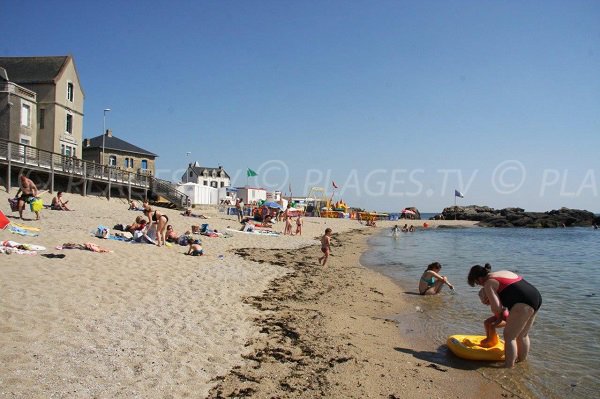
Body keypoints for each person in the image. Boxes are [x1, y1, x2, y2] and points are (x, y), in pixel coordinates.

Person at [468, 263, 542, 368]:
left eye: (477, 283)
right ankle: (521, 363)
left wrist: (489, 303)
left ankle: (509, 367)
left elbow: (497, 308)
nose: (480, 285)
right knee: (523, 335)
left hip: (523, 303)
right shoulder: (502, 272)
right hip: (535, 297)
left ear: (479, 279)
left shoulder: (488, 283)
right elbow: (510, 289)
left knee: (509, 336)